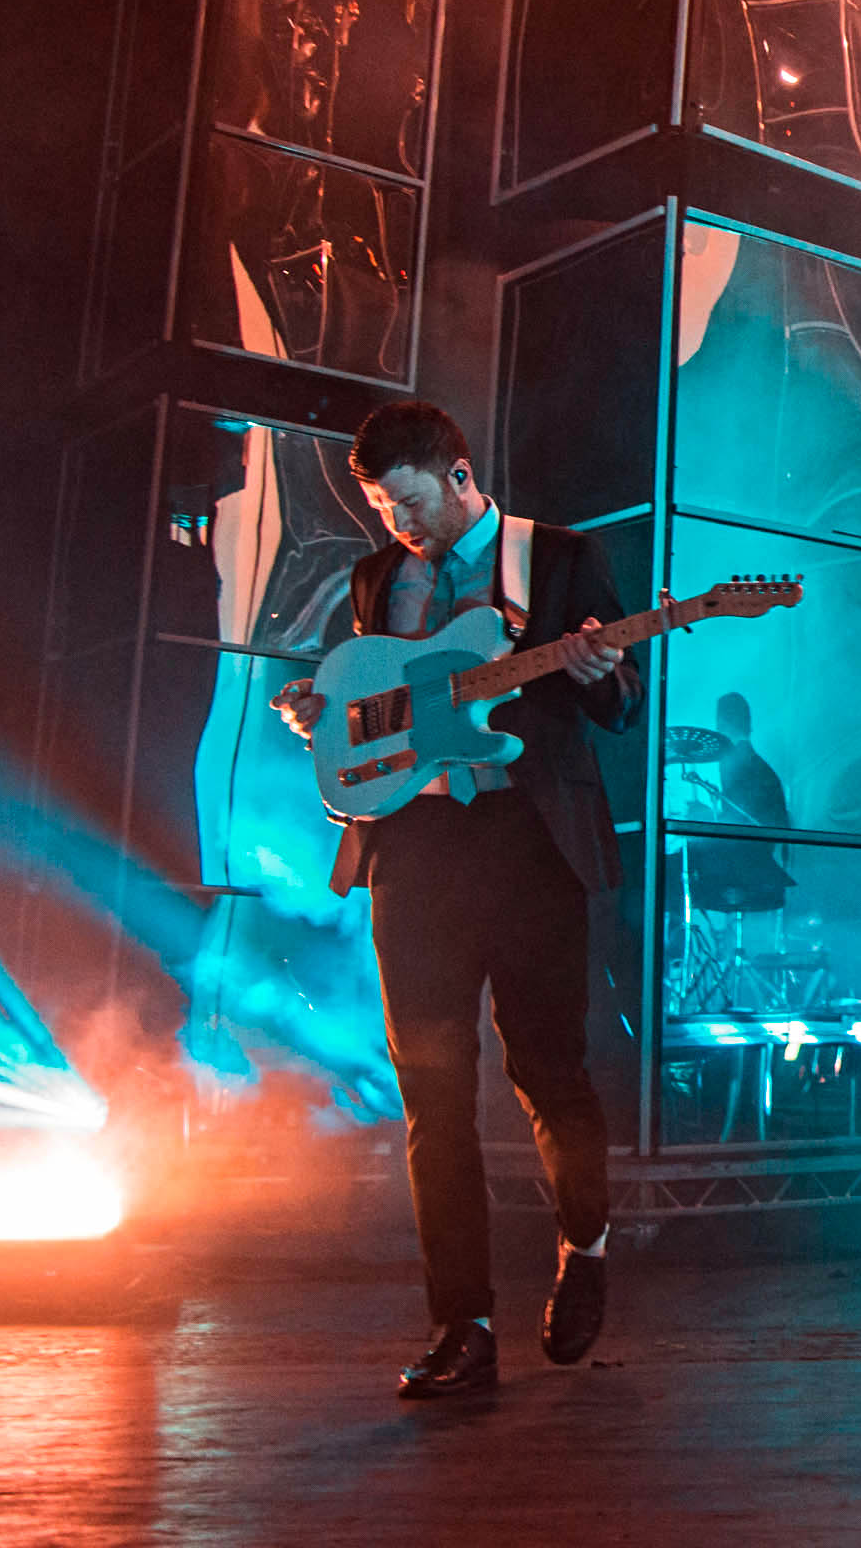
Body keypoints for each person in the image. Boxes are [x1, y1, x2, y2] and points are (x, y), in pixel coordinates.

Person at [274, 400, 641, 1399]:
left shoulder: (557, 557)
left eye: (410, 502)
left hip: (529, 844)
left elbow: (620, 704)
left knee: (548, 1071)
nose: (399, 523)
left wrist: (600, 670)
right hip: (415, 849)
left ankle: (586, 1245)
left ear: (460, 476)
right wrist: (325, 716)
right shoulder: (375, 579)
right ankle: (461, 1326)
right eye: (382, 508)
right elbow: (379, 698)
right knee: (431, 1095)